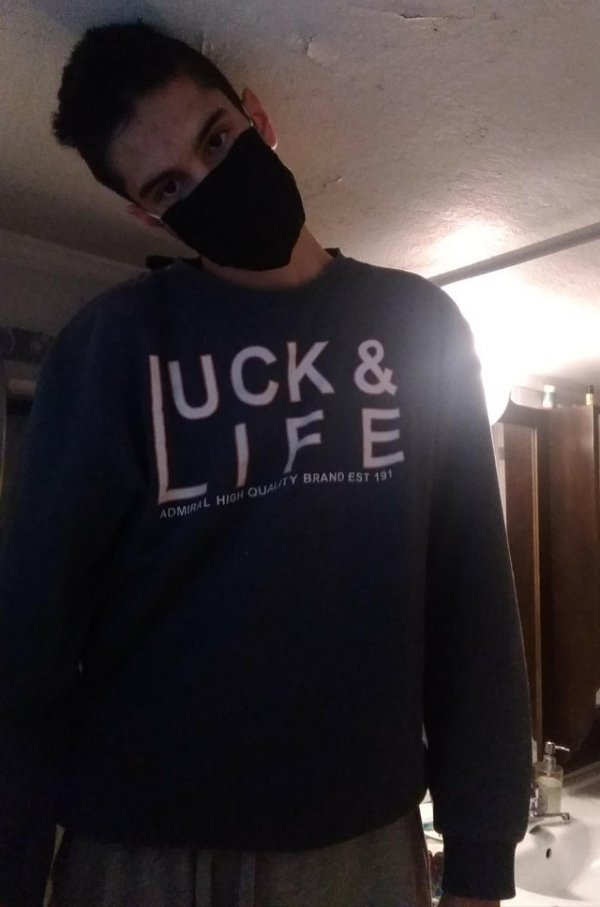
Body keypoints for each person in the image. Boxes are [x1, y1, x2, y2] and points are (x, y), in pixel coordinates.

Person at [0, 20, 532, 907]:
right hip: (140, 850)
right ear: (145, 214)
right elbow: (30, 639)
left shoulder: (420, 326)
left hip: (362, 844)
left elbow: (472, 604)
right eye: (169, 185)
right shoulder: (110, 347)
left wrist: (481, 857)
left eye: (216, 139)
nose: (209, 181)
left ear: (257, 115)